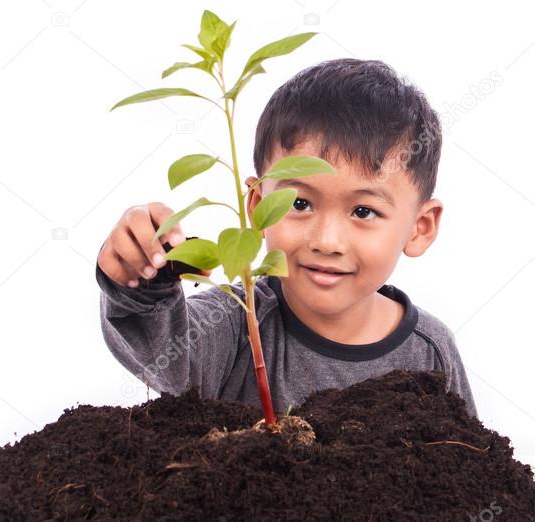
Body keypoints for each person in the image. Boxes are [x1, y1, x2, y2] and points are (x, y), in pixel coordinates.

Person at [95, 58, 477, 418]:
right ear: (258, 205)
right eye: (299, 202)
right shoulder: (236, 323)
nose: (326, 241)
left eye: (363, 211)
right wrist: (142, 278)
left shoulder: (430, 354)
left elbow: (474, 466)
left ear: (420, 227)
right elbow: (165, 356)